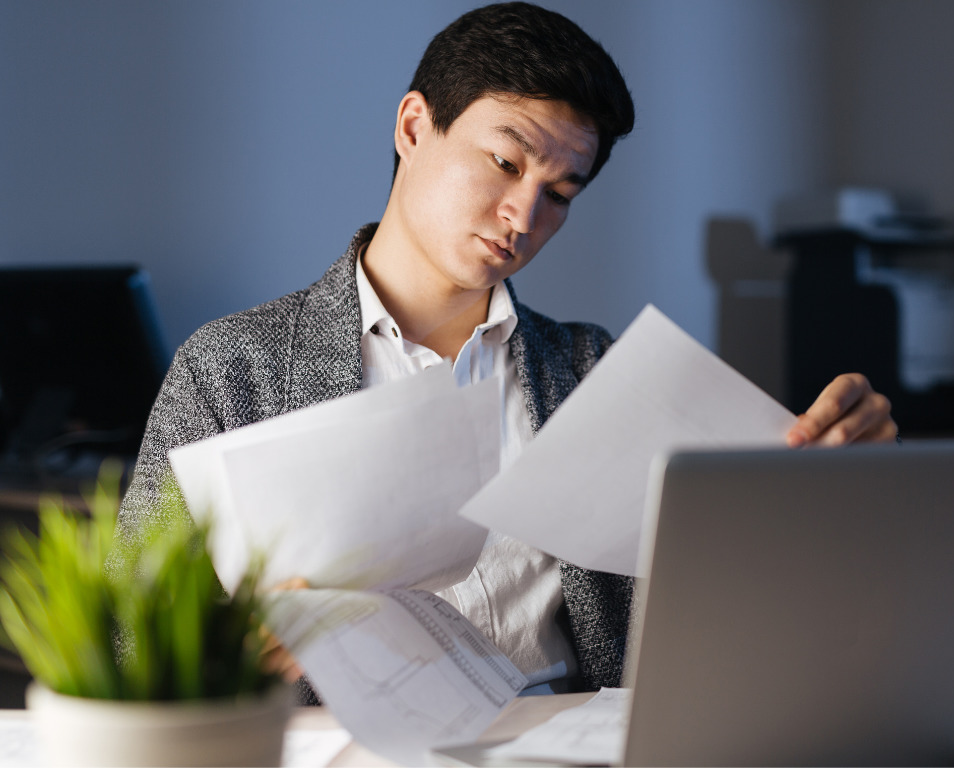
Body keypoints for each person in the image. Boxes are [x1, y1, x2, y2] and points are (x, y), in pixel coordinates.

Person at [118, 2, 898, 700]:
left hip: (572, 742)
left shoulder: (596, 370)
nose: (524, 214)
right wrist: (234, 655)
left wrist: (822, 487)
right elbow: (124, 641)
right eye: (506, 162)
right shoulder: (232, 369)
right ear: (415, 127)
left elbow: (739, 606)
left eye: (562, 194)